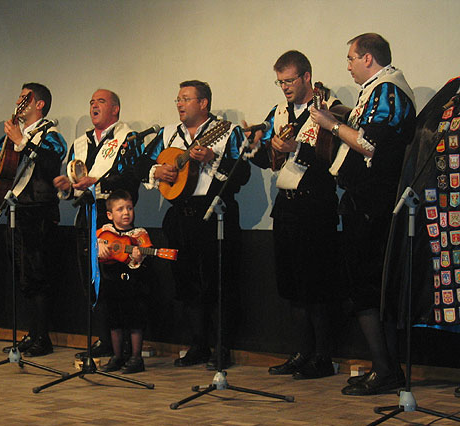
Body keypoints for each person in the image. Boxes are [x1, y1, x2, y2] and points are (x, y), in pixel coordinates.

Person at [311, 33, 416, 395]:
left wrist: (330, 124)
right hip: (365, 203)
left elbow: (370, 144)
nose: (349, 66)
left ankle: (386, 370)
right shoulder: (376, 90)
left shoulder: (387, 90)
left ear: (368, 58)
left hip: (373, 204)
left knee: (368, 288)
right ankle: (384, 367)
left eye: (351, 59)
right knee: (367, 287)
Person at [138, 80, 250, 369]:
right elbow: (140, 163)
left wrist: (213, 159)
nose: (179, 104)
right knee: (186, 283)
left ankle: (222, 348)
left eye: (186, 98)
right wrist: (157, 170)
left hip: (214, 214)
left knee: (219, 283)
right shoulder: (168, 134)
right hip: (179, 216)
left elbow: (242, 173)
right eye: (177, 99)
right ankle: (198, 344)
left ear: (203, 103)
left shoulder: (227, 131)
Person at [250, 51, 339, 379]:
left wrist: (297, 149)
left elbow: (332, 156)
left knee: (315, 286)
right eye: (280, 82)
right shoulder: (278, 112)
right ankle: (301, 352)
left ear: (306, 77)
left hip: (315, 206)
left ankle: (323, 357)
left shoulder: (328, 108)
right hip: (286, 206)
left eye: (289, 80)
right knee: (291, 286)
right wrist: (254, 147)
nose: (285, 87)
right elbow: (268, 159)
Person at [53, 89, 143, 359]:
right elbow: (75, 182)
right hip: (86, 217)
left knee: (116, 283)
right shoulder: (81, 142)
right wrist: (67, 187)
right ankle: (105, 340)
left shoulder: (128, 139)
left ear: (115, 109)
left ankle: (123, 346)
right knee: (91, 281)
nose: (94, 106)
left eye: (101, 102)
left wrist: (98, 184)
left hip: (113, 220)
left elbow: (132, 177)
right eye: (91, 102)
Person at [0, 83, 67, 357]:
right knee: (23, 276)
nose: (18, 101)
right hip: (16, 210)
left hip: (39, 212)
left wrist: (22, 140)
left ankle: (43, 338)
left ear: (39, 104)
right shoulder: (12, 134)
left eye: (24, 98)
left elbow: (51, 163)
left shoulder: (51, 134)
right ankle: (32, 333)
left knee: (38, 274)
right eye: (19, 97)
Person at [96, 190, 152, 374]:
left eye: (129, 208)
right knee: (115, 321)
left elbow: (146, 251)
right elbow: (94, 242)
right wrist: (99, 245)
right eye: (120, 209)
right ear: (110, 215)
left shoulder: (139, 234)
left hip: (133, 284)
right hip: (111, 282)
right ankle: (117, 356)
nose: (126, 213)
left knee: (135, 320)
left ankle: (136, 358)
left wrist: (139, 254)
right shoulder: (105, 231)